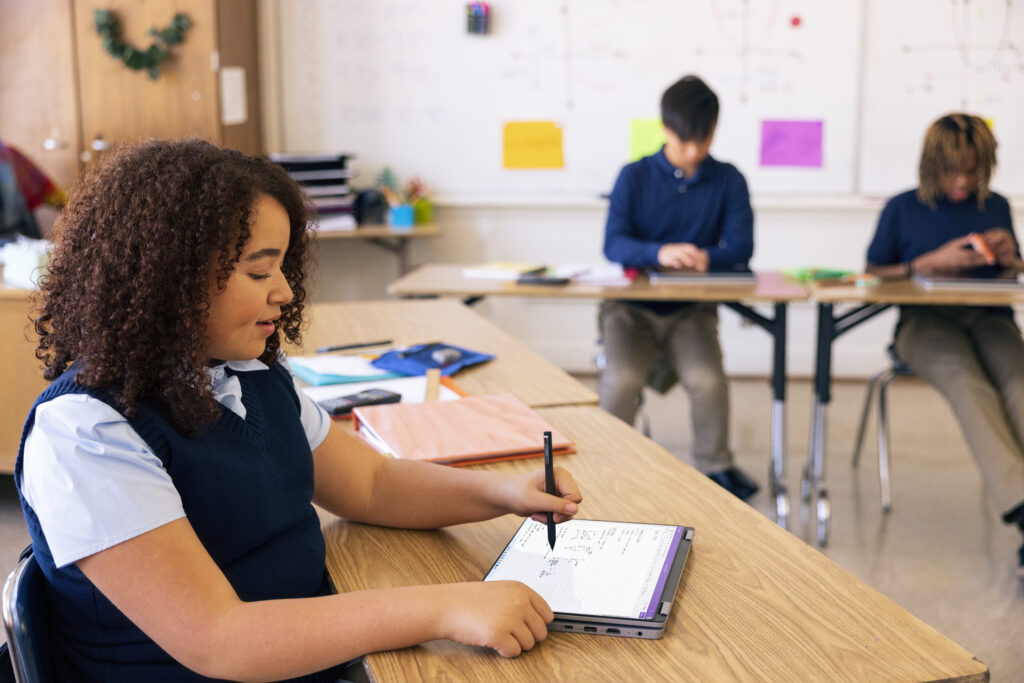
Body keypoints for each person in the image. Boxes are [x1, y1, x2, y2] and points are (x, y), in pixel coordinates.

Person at [16, 139, 584, 681]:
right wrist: (445, 608)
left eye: (282, 268)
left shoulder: (247, 374)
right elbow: (220, 638)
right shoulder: (86, 432)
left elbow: (373, 484)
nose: (284, 291)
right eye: (259, 272)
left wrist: (504, 495)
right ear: (170, 278)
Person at [864, 113, 1024, 576]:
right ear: (931, 164)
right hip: (925, 325)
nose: (963, 180)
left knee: (1017, 382)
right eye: (952, 169)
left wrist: (1013, 260)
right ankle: (1020, 506)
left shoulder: (994, 205)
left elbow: (1010, 271)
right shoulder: (902, 208)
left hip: (990, 319)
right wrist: (922, 265)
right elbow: (872, 272)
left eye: (974, 170)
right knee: (968, 383)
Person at [600, 74, 757, 501]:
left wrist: (709, 257)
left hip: (691, 310)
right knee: (621, 379)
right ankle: (604, 467)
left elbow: (742, 247)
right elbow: (613, 244)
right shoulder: (633, 176)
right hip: (629, 311)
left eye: (703, 140)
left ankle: (716, 466)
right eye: (685, 140)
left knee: (708, 381)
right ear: (665, 129)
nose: (694, 151)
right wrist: (658, 252)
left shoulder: (729, 180)